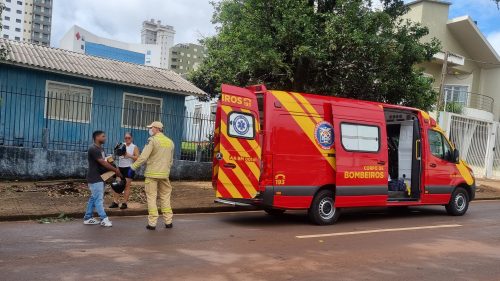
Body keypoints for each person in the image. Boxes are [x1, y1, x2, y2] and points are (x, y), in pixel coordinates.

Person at [129, 121, 175, 230]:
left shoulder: (152, 140)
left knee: (151, 198)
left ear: (156, 129)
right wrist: (165, 170)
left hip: (152, 174)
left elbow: (143, 157)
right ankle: (168, 221)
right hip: (164, 175)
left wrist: (133, 167)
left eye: (151, 128)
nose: (150, 130)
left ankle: (152, 223)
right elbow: (171, 161)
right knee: (165, 197)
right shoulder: (170, 142)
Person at [84, 130, 122, 227]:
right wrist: (116, 171)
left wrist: (113, 156)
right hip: (95, 177)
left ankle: (88, 218)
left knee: (94, 197)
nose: (105, 138)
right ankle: (104, 219)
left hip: (100, 177)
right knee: (99, 199)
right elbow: (103, 163)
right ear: (97, 137)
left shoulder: (100, 149)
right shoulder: (93, 148)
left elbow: (106, 160)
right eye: (103, 136)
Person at [109, 132, 139, 210]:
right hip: (120, 168)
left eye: (129, 138)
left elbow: (138, 158)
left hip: (129, 168)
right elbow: (116, 155)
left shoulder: (134, 147)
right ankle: (115, 202)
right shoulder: (121, 145)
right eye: (126, 138)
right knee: (116, 185)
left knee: (126, 186)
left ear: (131, 138)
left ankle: (124, 203)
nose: (127, 139)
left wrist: (128, 155)